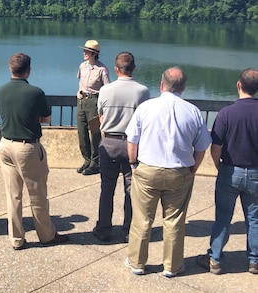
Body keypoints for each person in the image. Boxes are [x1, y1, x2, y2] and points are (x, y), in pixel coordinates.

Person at [124, 67, 211, 277]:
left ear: (161, 85)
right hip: (179, 171)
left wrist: (133, 164)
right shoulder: (193, 111)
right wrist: (193, 170)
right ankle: (172, 266)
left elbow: (132, 140)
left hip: (147, 169)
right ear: (183, 87)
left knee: (142, 219)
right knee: (174, 220)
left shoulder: (145, 108)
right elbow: (201, 147)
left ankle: (137, 262)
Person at [0, 53, 69, 250]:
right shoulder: (35, 92)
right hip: (26, 147)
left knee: (13, 195)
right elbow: (46, 119)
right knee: (37, 194)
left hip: (4, 145)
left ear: (10, 69)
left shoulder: (1, 91)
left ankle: (16, 239)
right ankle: (46, 235)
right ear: (28, 70)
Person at [196, 68, 258, 275]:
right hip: (256, 173)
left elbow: (216, 147)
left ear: (238, 85)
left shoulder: (225, 114)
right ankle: (254, 261)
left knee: (223, 216)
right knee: (254, 218)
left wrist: (219, 165)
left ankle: (215, 259)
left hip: (230, 170)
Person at [92, 52, 150, 243]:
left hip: (108, 142)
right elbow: (144, 121)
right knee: (131, 190)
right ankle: (129, 230)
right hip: (132, 145)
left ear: (116, 69)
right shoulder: (143, 91)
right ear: (133, 68)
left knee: (106, 189)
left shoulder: (106, 90)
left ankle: (103, 229)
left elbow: (100, 116)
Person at [76, 40, 109, 176]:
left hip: (95, 101)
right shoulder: (82, 66)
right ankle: (87, 160)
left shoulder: (102, 69)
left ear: (94, 53)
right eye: (84, 50)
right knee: (82, 132)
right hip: (82, 101)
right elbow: (80, 82)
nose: (84, 53)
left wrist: (102, 106)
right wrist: (79, 91)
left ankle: (95, 163)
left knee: (94, 133)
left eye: (87, 51)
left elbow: (107, 89)